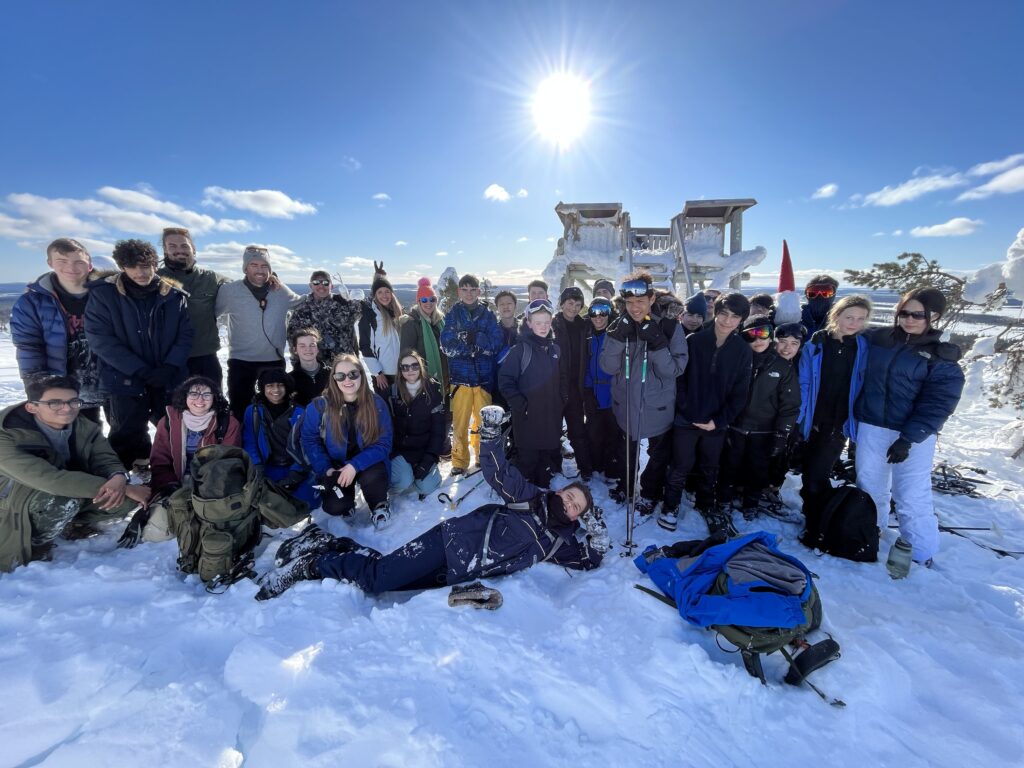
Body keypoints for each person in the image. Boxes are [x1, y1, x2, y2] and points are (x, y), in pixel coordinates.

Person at [254, 404, 608, 601]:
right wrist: (491, 436)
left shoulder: (558, 542)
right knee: (379, 580)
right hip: (450, 542)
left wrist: (598, 537)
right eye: (572, 497)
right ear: (561, 492)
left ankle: (331, 544)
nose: (572, 506)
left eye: (579, 508)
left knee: (392, 577)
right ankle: (310, 566)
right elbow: (496, 471)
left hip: (460, 571)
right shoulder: (532, 499)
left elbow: (589, 560)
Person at [854, 288, 964, 566]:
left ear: (934, 316)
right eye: (904, 313)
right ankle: (871, 532)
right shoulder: (879, 339)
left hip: (912, 434)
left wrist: (908, 438)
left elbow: (939, 403)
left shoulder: (940, 357)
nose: (909, 319)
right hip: (871, 425)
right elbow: (845, 330)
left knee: (911, 494)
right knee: (869, 486)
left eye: (918, 314)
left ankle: (921, 552)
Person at [0, 375, 151, 571]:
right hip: (14, 499)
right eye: (55, 403)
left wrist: (118, 477)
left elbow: (105, 457)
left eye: (73, 401)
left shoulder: (82, 425)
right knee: (62, 501)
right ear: (32, 407)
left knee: (126, 500)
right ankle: (37, 541)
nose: (67, 408)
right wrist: (122, 488)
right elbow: (50, 480)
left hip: (69, 488)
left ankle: (72, 523)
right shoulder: (7, 435)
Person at [85, 239, 193, 469]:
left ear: (155, 265)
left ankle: (173, 473)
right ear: (123, 266)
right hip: (124, 379)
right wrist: (139, 369)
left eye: (146, 266)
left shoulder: (174, 296)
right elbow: (100, 338)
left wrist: (170, 367)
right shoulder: (105, 294)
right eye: (133, 266)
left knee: (176, 429)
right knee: (126, 433)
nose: (140, 272)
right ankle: (127, 480)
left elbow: (185, 335)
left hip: (167, 377)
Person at [659, 293, 753, 533]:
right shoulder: (695, 341)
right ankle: (670, 505)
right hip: (686, 418)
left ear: (741, 320)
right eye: (723, 314)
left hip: (716, 423)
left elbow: (740, 392)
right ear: (716, 312)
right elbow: (678, 380)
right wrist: (685, 409)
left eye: (734, 316)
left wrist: (719, 421)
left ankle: (705, 503)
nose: (727, 320)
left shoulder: (742, 351)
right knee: (680, 464)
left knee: (710, 466)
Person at [599, 273, 688, 513]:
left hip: (656, 403)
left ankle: (649, 492)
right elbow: (607, 367)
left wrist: (658, 343)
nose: (634, 308)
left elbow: (676, 369)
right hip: (625, 401)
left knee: (658, 454)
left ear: (651, 298)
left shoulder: (670, 326)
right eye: (629, 303)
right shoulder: (618, 325)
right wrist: (617, 338)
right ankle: (627, 486)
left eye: (640, 301)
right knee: (626, 450)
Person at [796, 295, 872, 530]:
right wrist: (800, 419)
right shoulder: (816, 345)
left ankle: (816, 521)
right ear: (836, 315)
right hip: (813, 418)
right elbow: (804, 383)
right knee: (807, 468)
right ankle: (815, 513)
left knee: (819, 470)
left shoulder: (864, 348)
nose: (854, 323)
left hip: (839, 422)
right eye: (849, 317)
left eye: (861, 319)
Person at [11, 238, 108, 421]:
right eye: (62, 261)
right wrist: (37, 385)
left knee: (126, 438)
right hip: (65, 387)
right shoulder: (33, 303)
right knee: (78, 440)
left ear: (89, 265)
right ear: (50, 263)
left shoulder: (109, 294)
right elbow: (29, 346)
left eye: (79, 261)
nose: (71, 268)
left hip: (111, 381)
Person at [718, 316, 800, 520]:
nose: (758, 340)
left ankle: (751, 502)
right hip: (735, 426)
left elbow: (789, 404)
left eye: (762, 333)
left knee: (758, 468)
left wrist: (783, 433)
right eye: (751, 335)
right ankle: (724, 499)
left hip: (764, 430)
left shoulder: (782, 366)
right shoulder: (737, 360)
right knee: (729, 465)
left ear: (770, 335)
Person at [300, 354, 393, 527]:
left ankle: (379, 504)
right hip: (336, 465)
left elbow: (384, 443)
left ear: (361, 375)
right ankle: (346, 503)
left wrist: (354, 465)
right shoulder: (319, 406)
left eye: (353, 374)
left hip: (368, 463)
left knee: (374, 478)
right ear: (334, 379)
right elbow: (309, 440)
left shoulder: (376, 403)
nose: (347, 380)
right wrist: (325, 468)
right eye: (340, 376)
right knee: (335, 505)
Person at [215, 246, 301, 421]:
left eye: (264, 266)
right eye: (254, 265)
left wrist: (331, 296)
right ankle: (240, 448)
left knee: (275, 410)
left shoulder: (280, 290)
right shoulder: (230, 291)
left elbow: (301, 303)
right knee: (240, 409)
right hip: (241, 361)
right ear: (245, 268)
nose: (260, 270)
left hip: (273, 361)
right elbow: (210, 314)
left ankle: (273, 446)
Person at [498, 299, 568, 487]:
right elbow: (505, 381)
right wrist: (521, 405)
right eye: (538, 322)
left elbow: (561, 378)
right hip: (527, 419)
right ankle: (523, 496)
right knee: (528, 461)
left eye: (546, 322)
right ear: (529, 323)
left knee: (545, 460)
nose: (543, 327)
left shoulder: (555, 349)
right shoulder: (520, 350)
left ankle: (542, 493)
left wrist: (562, 400)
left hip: (550, 416)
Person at [439, 273, 503, 475]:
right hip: (460, 379)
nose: (468, 294)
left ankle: (483, 458)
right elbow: (446, 344)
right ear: (459, 292)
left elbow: (495, 343)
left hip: (483, 379)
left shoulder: (488, 315)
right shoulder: (453, 314)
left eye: (472, 290)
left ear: (479, 291)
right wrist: (471, 347)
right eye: (464, 290)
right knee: (460, 423)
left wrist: (477, 339)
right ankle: (459, 461)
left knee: (483, 423)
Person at [158, 227, 231, 382]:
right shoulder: (154, 279)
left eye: (185, 246)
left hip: (205, 359)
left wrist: (270, 278)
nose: (180, 250)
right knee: (172, 405)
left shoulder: (210, 278)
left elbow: (242, 287)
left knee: (212, 404)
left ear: (194, 249)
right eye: (172, 246)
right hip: (167, 360)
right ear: (165, 250)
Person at [242, 369, 318, 509]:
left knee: (305, 503)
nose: (275, 390)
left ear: (287, 387)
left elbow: (306, 445)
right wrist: (257, 466)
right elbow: (250, 441)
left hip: (294, 467)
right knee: (260, 502)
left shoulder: (299, 412)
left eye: (280, 385)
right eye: (269, 386)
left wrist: (296, 471)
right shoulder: (253, 411)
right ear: (263, 388)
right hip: (267, 467)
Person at [388, 350, 445, 498]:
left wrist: (429, 458)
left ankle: (416, 476)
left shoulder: (433, 392)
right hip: (401, 451)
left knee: (427, 487)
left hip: (423, 450)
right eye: (405, 367)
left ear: (420, 367)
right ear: (400, 370)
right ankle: (403, 476)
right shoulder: (392, 393)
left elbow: (438, 432)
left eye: (414, 366)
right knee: (402, 481)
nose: (410, 370)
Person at [552, 286, 593, 479]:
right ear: (562, 304)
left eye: (578, 305)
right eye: (570, 303)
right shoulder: (553, 324)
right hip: (555, 387)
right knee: (552, 431)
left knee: (578, 430)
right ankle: (552, 467)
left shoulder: (584, 326)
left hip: (576, 387)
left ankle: (585, 468)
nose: (573, 308)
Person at [766, 322, 809, 498]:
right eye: (783, 341)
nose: (787, 348)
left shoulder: (801, 366)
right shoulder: (765, 361)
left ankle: (773, 489)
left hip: (790, 420)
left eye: (794, 343)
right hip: (764, 419)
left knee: (782, 457)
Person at [285, 269, 362, 364]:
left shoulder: (344, 305)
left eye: (326, 282)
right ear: (310, 286)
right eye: (316, 282)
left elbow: (372, 307)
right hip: (316, 369)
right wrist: (298, 365)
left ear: (332, 286)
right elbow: (293, 340)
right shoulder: (301, 310)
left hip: (345, 367)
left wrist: (378, 279)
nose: (321, 285)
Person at [582, 298, 617, 478]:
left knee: (612, 433)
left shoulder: (614, 335)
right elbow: (586, 365)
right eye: (594, 311)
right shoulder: (588, 336)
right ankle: (596, 465)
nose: (599, 316)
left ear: (609, 313)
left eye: (603, 311)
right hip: (593, 392)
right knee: (594, 432)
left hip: (611, 392)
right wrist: (587, 390)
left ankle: (611, 467)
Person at [398, 277, 448, 397]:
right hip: (425, 380)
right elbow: (406, 356)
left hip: (445, 377)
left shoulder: (441, 321)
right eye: (424, 300)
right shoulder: (411, 323)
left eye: (432, 299)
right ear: (418, 302)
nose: (428, 303)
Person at [359, 268, 403, 396]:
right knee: (386, 409)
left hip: (402, 372)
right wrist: (377, 373)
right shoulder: (370, 316)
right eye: (380, 292)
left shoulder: (397, 313)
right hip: (383, 374)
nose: (384, 295)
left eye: (387, 291)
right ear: (375, 295)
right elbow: (365, 346)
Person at [289, 327, 330, 407]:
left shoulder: (332, 374)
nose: (308, 349)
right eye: (302, 346)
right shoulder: (289, 379)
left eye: (312, 345)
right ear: (295, 350)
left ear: (318, 348)